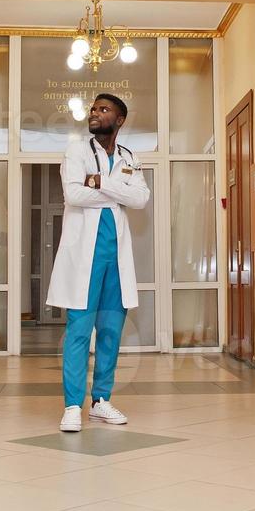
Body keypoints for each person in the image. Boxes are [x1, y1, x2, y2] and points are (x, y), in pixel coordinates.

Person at [46, 93, 150, 432]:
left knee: (110, 331)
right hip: (84, 258)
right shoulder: (76, 152)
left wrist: (102, 181)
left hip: (115, 259)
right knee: (78, 331)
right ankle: (73, 405)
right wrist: (118, 189)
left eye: (103, 109)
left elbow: (140, 198)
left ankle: (101, 400)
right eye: (93, 108)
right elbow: (74, 194)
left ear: (119, 120)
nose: (95, 113)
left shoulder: (128, 156)